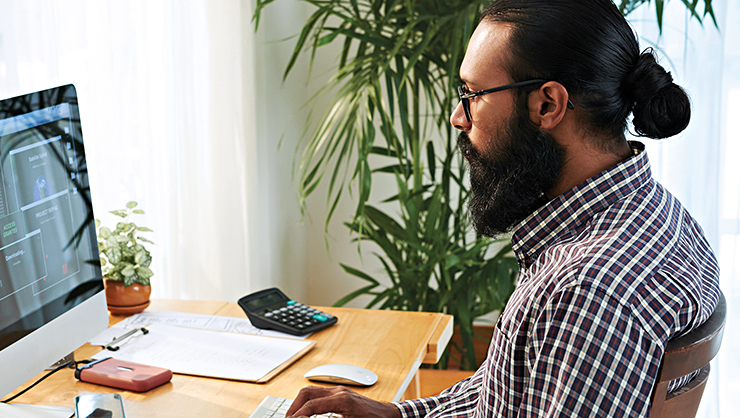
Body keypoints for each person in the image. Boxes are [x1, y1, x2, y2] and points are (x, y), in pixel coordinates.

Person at [285, 0, 721, 417]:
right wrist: (399, 414)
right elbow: (512, 390)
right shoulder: (660, 215)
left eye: (473, 93)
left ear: (547, 104)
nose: (459, 116)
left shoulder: (587, 291)